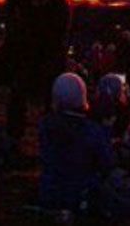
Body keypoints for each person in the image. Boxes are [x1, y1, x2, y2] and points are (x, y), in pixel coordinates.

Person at [4, 0, 71, 141]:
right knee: (17, 95)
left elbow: (59, 38)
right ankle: (14, 135)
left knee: (51, 98)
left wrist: (51, 64)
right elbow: (9, 19)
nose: (39, 2)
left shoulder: (60, 5)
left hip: (48, 55)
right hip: (23, 54)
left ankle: (50, 135)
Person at [38, 73, 115, 211]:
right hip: (81, 194)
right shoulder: (92, 130)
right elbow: (107, 164)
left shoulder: (45, 125)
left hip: (49, 192)